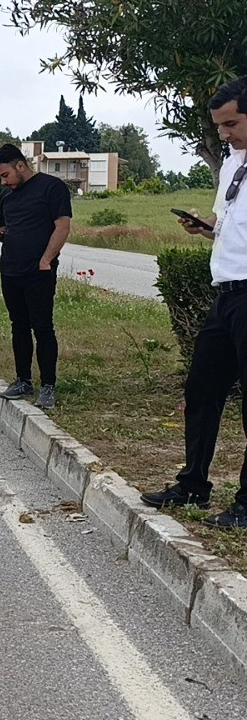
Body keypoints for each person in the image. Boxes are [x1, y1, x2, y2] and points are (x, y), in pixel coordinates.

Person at [141, 75, 247, 528]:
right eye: (219, 125)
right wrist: (208, 228)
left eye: (231, 123)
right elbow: (228, 227)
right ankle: (192, 486)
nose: (223, 133)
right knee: (202, 389)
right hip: (226, 293)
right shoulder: (232, 164)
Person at [0, 144, 73, 410]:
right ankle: (23, 380)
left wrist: (46, 260)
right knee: (18, 326)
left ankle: (48, 386)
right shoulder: (6, 196)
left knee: (42, 327)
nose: (4, 182)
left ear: (20, 166)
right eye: (0, 178)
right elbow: (8, 228)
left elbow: (62, 226)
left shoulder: (52, 188)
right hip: (10, 270)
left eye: (5, 175)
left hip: (39, 272)